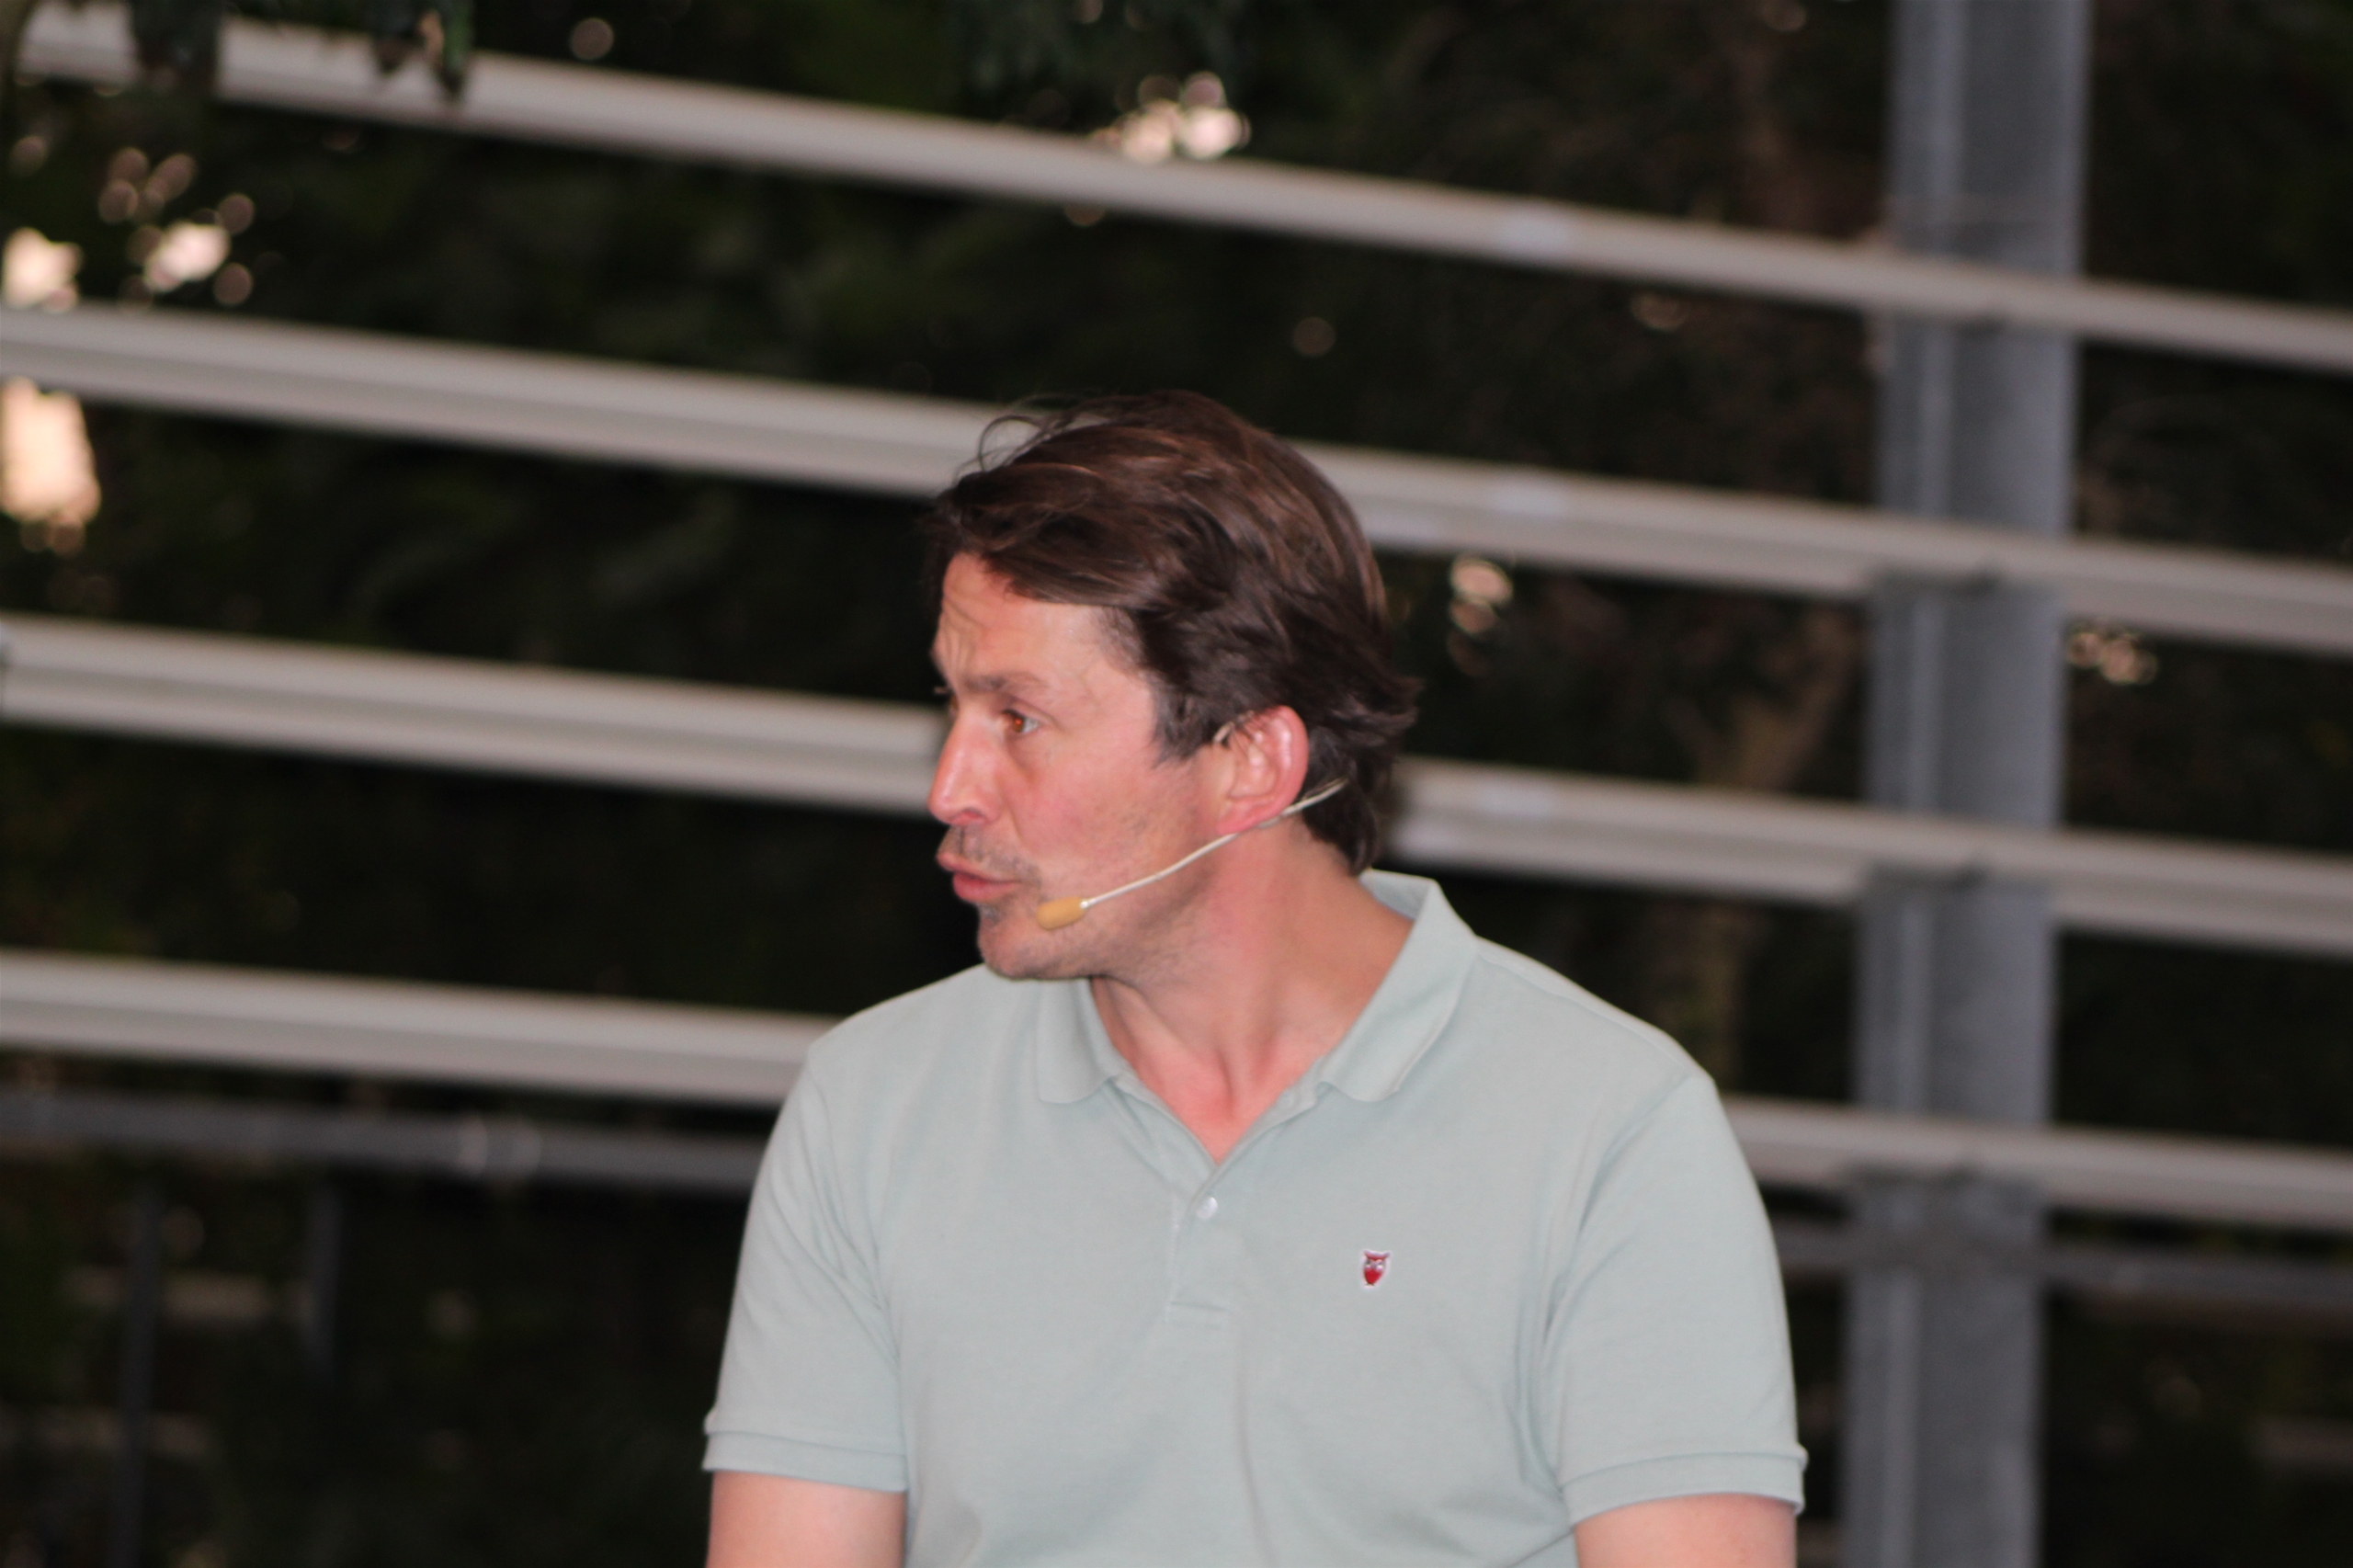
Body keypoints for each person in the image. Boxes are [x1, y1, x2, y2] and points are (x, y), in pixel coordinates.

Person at [704, 392, 1805, 1567]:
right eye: (954, 703)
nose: (950, 786)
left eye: (1018, 717)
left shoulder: (1608, 1127)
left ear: (1248, 761)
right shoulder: (875, 1105)